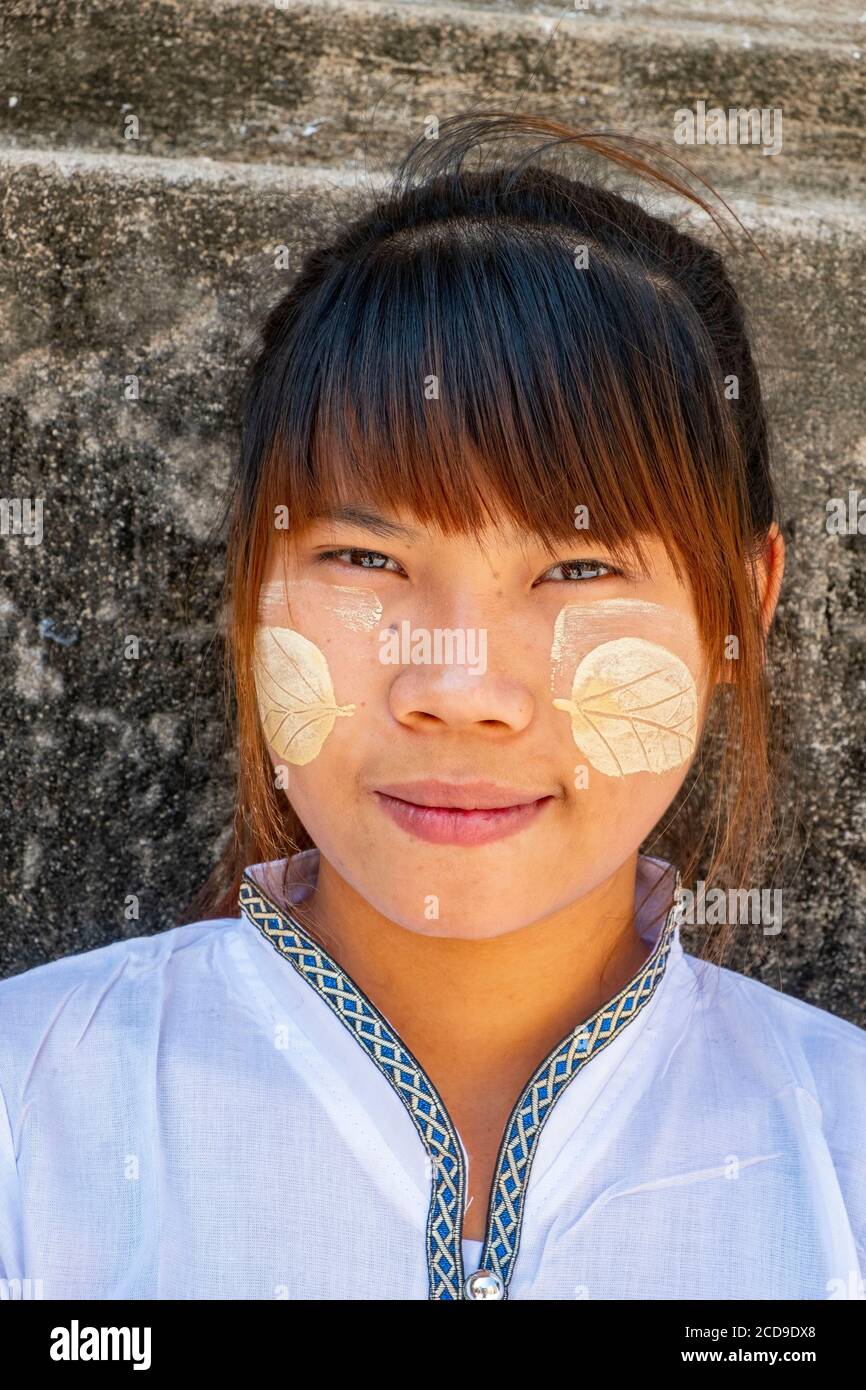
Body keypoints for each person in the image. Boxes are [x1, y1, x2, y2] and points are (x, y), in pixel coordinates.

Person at [1, 112, 864, 1302]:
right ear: (246, 588)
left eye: (576, 571)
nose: (458, 686)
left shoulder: (840, 1161)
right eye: (363, 559)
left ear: (742, 608)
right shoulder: (28, 1117)